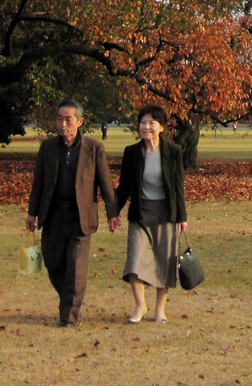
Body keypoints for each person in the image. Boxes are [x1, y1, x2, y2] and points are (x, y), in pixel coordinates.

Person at [26, 100, 119, 327]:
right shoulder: (47, 147)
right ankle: (68, 299)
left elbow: (106, 183)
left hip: (81, 218)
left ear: (80, 122)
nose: (63, 123)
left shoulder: (93, 148)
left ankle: (69, 317)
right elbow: (39, 183)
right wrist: (32, 213)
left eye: (68, 119)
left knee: (76, 270)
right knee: (54, 263)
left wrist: (112, 213)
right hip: (53, 217)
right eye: (60, 118)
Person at [114, 105, 189, 324]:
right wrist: (114, 212)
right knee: (135, 260)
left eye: (151, 123)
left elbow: (178, 186)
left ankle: (160, 310)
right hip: (140, 213)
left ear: (162, 127)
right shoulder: (132, 152)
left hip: (166, 214)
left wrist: (182, 217)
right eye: (143, 122)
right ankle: (140, 305)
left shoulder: (174, 152)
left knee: (164, 262)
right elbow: (124, 186)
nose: (146, 127)